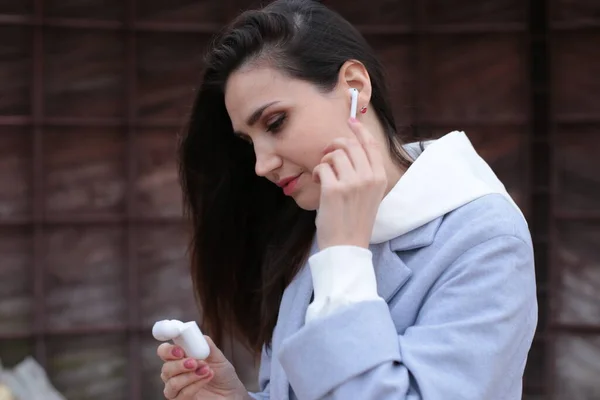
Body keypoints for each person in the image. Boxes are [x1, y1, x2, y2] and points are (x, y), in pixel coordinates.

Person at [156, 0, 538, 399]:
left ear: (354, 86)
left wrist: (342, 259)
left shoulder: (486, 240)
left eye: (275, 122)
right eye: (250, 142)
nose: (261, 164)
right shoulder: (314, 228)